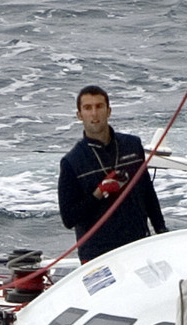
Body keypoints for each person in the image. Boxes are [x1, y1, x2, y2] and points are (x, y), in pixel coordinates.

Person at [57, 86, 167, 262]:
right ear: (79, 115)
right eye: (88, 108)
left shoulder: (132, 145)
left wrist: (161, 230)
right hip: (96, 255)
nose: (94, 114)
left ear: (108, 111)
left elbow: (147, 193)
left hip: (136, 245)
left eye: (99, 107)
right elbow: (69, 218)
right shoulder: (72, 161)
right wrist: (98, 193)